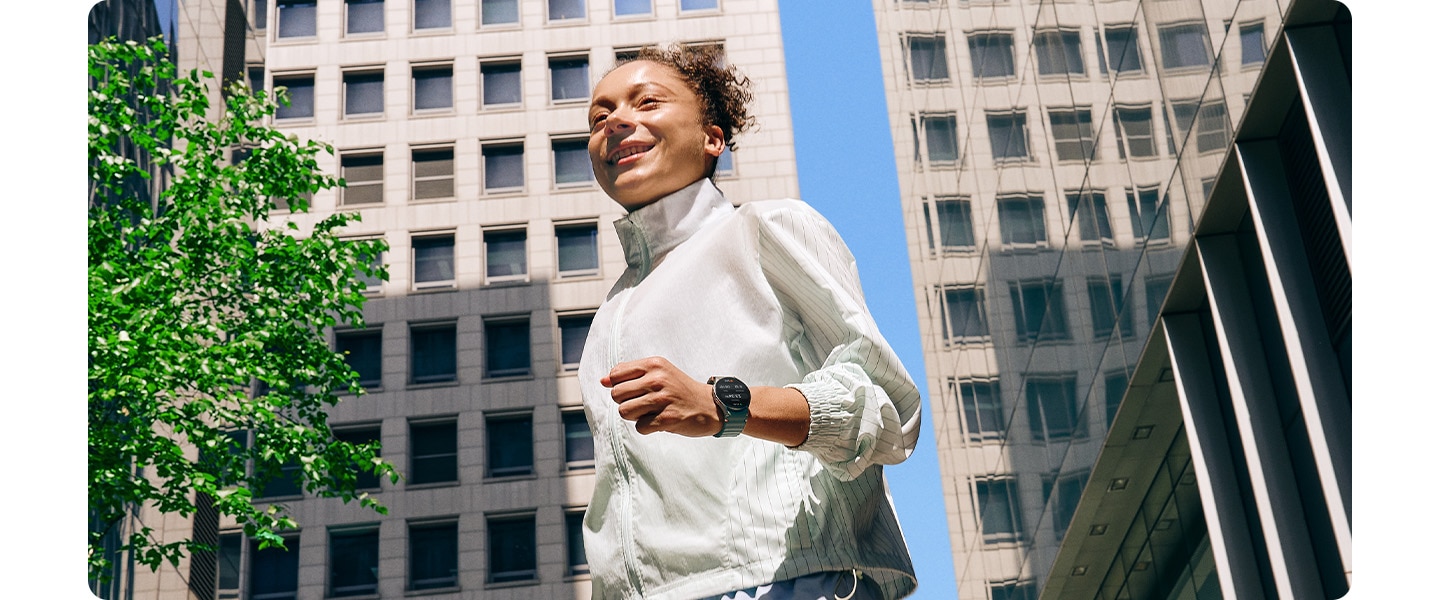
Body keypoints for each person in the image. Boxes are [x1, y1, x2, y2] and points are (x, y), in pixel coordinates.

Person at [578, 44, 921, 600]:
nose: (616, 121)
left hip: (783, 579)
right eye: (599, 117)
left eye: (647, 102)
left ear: (712, 138)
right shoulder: (608, 315)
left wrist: (723, 405)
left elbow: (885, 409)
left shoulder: (767, 228)